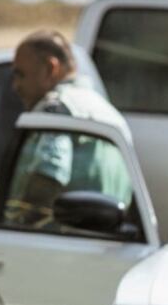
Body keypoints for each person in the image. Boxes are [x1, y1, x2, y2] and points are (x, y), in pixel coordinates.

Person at [7, 29, 131, 226]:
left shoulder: (56, 110)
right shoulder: (112, 115)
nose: (16, 85)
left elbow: (48, 175)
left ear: (51, 68)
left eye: (20, 75)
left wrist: (18, 222)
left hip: (59, 245)